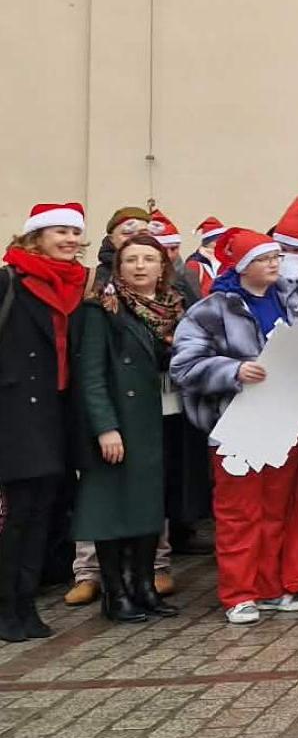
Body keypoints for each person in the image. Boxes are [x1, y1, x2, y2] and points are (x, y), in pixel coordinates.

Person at [171, 227, 298, 625]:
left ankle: (270, 589)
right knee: (239, 513)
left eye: (275, 258)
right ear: (241, 266)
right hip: (236, 423)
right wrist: (234, 370)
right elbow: (184, 365)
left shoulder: (288, 298)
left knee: (276, 511)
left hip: (282, 420)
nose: (273, 264)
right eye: (263, 259)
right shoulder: (212, 308)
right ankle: (239, 594)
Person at [71, 233, 181, 625]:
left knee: (148, 506)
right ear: (118, 267)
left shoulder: (173, 308)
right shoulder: (103, 308)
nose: (140, 266)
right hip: (120, 423)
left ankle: (144, 587)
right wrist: (105, 427)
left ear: (162, 266)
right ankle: (115, 593)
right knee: (110, 509)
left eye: (148, 259)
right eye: (131, 259)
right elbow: (91, 375)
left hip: (159, 419)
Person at [1, 203, 91, 642]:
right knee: (16, 515)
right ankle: (6, 606)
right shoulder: (9, 282)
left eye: (75, 233)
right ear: (36, 237)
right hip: (14, 413)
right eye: (60, 232)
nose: (70, 240)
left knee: (44, 514)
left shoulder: (76, 286)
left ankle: (26, 602)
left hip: (56, 414)